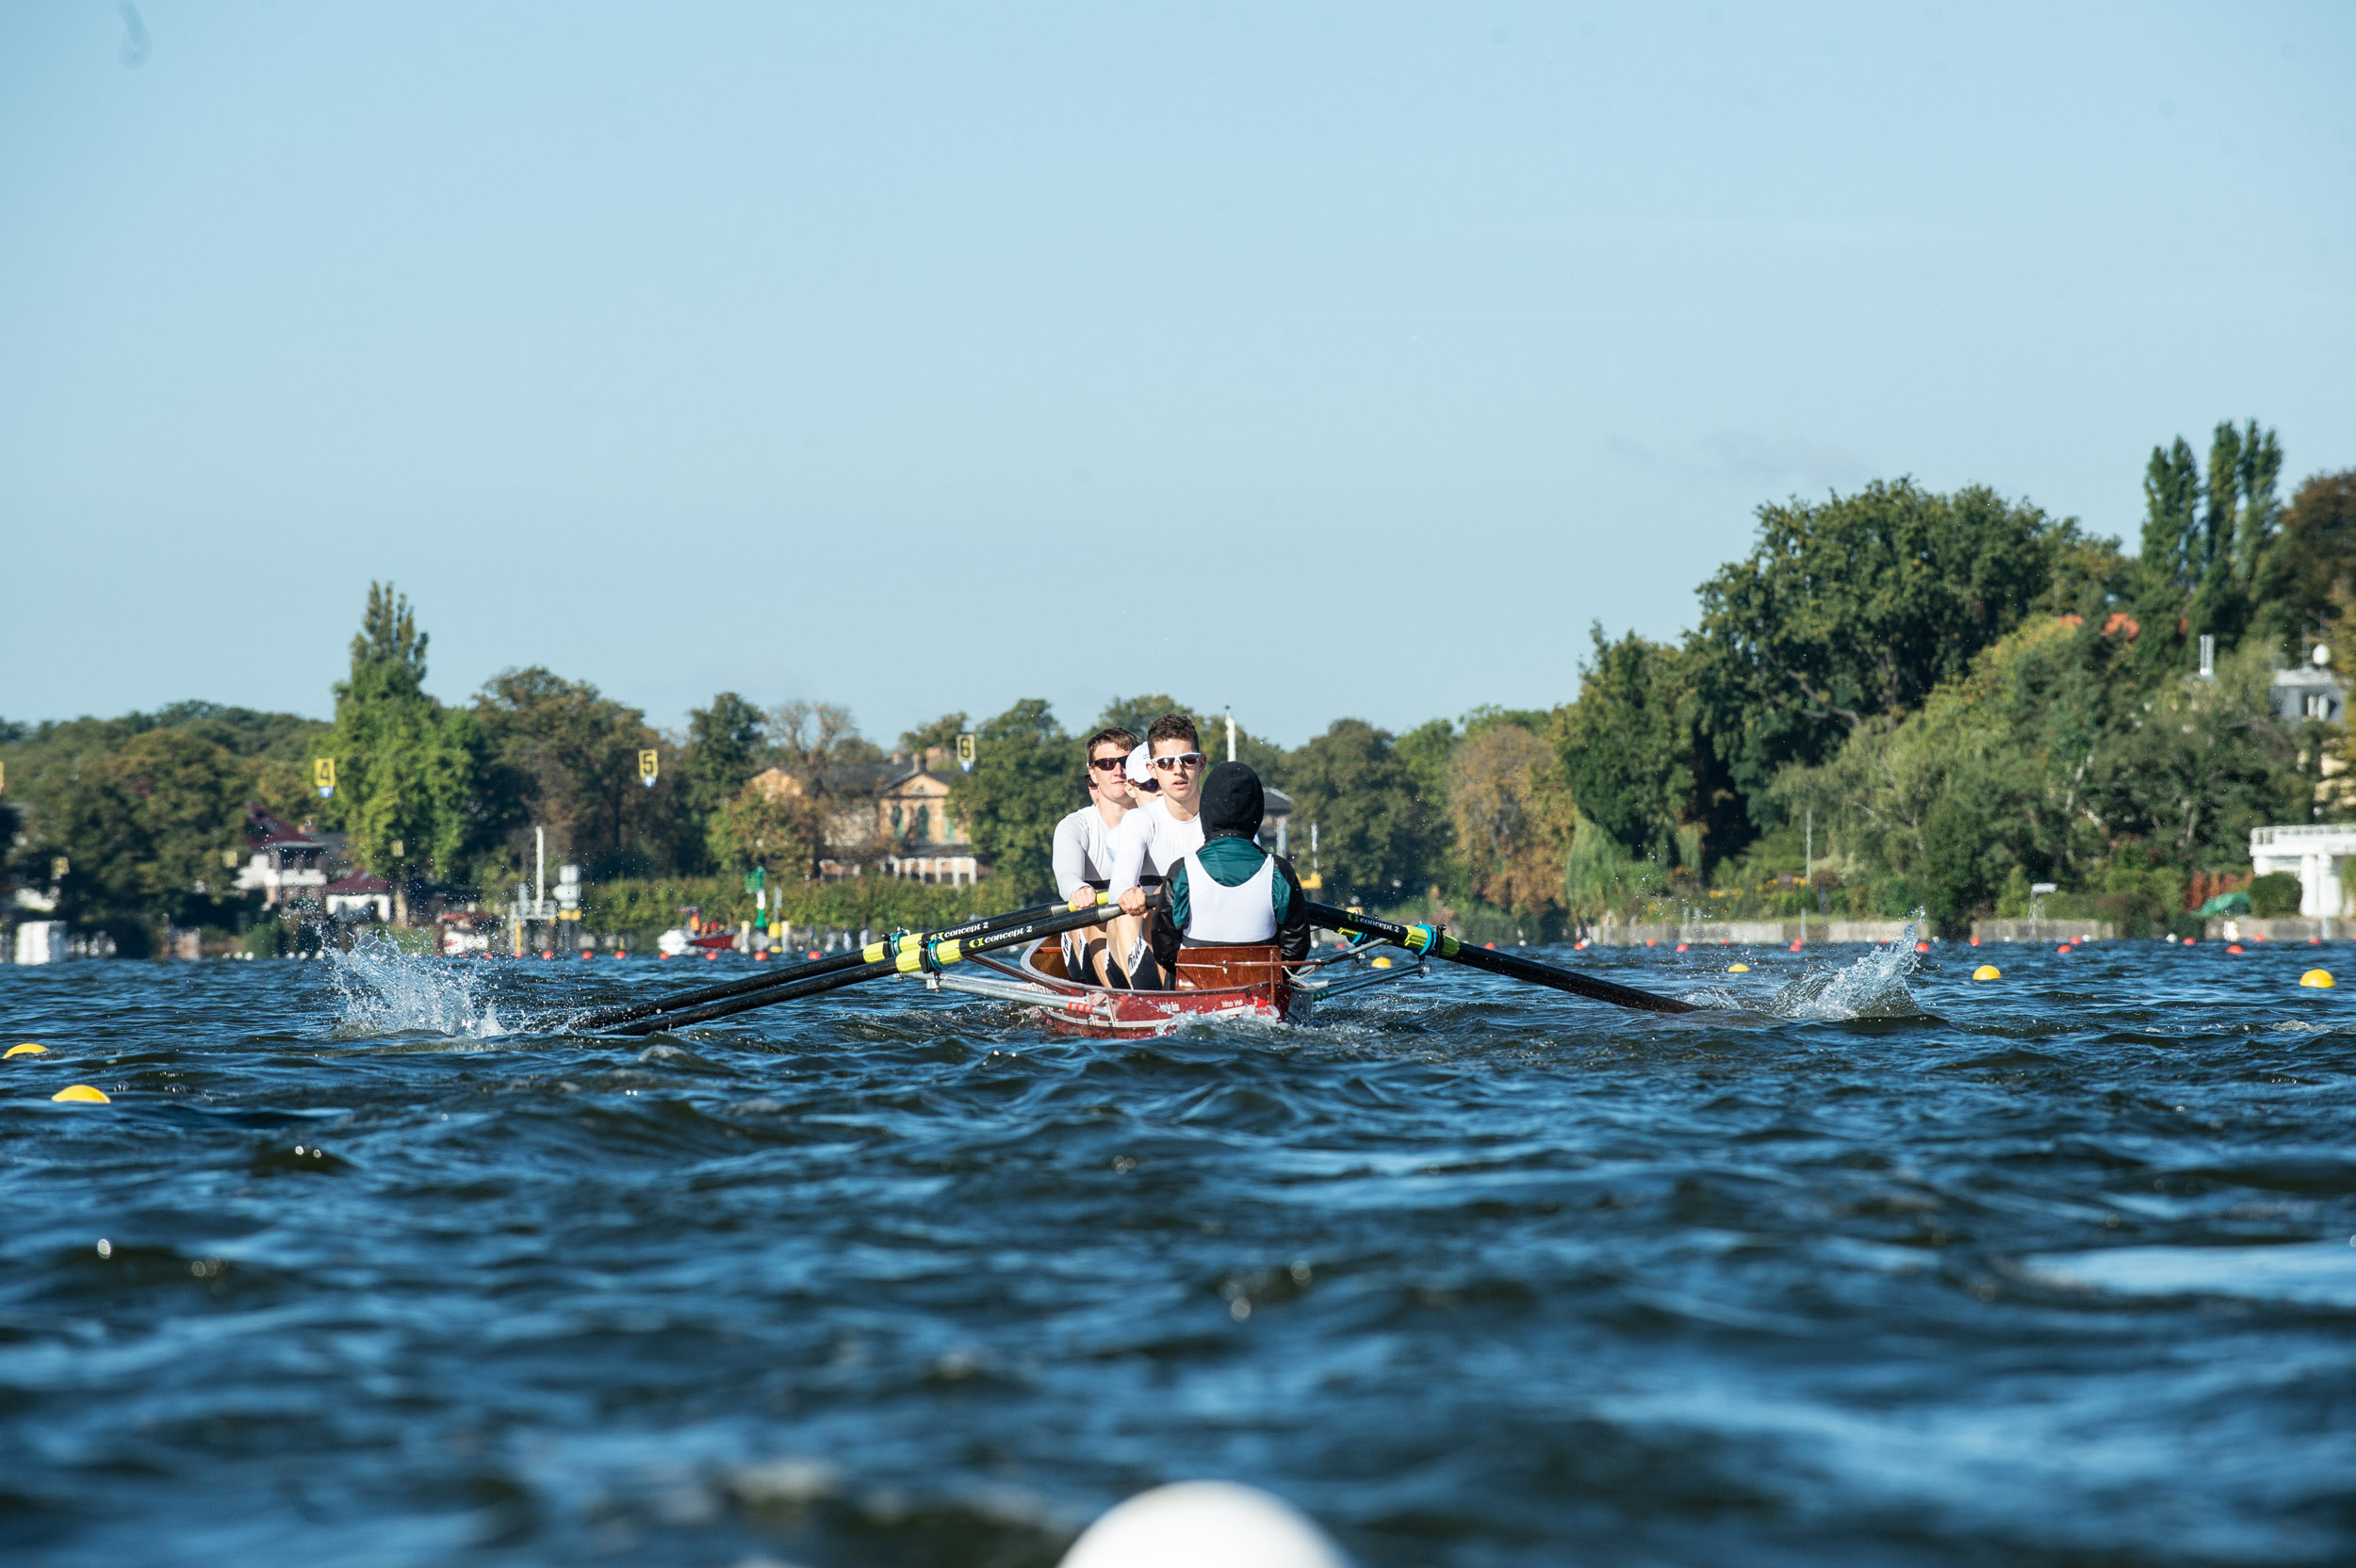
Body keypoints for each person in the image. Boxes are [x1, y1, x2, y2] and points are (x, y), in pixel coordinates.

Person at [1145, 760, 1311, 980]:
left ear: (1206, 810)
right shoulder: (1279, 871)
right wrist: (1275, 975)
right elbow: (1297, 945)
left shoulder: (1182, 870)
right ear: (1256, 811)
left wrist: (1187, 973)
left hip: (1196, 989)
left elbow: (1164, 945)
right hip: (1264, 990)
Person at [1104, 714, 1212, 987]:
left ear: (1201, 763)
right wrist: (1128, 894)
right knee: (1130, 912)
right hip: (1149, 931)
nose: (1178, 771)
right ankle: (1147, 998)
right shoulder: (1141, 821)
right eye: (1166, 763)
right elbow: (1119, 886)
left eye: (1187, 760)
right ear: (1152, 769)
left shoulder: (1227, 818)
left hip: (1207, 932)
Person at [1051, 726, 1138, 983]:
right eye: (1108, 764)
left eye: (1125, 762)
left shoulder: (1155, 820)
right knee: (1095, 918)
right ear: (1093, 772)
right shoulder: (1075, 826)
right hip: (1089, 931)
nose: (1118, 771)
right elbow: (1067, 875)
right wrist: (1078, 888)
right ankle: (1116, 1001)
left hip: (1135, 929)